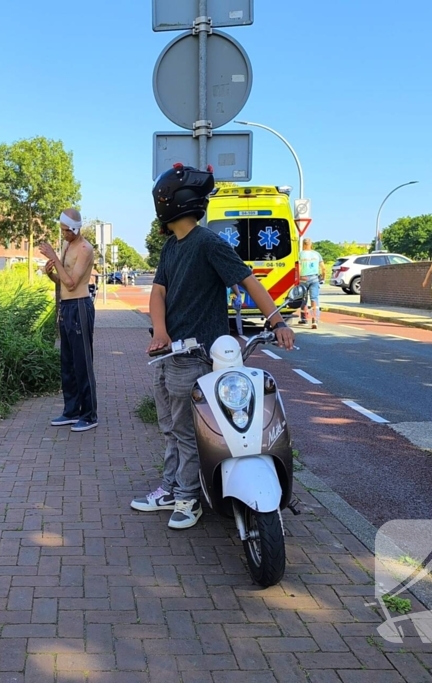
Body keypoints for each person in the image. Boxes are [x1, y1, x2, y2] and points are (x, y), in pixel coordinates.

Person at [131, 164, 295, 530]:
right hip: (169, 354)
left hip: (197, 356)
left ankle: (189, 497)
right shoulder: (171, 247)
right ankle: (173, 488)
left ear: (169, 204)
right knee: (173, 428)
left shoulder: (207, 243)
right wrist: (159, 332)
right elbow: (158, 292)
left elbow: (247, 279)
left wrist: (277, 320)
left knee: (190, 432)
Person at [39, 208, 98, 432]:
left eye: (65, 231)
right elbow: (62, 282)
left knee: (83, 362)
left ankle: (90, 414)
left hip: (80, 305)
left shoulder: (84, 249)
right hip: (66, 306)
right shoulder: (67, 245)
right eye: (61, 230)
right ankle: (72, 411)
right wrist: (50, 273)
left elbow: (73, 283)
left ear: (75, 229)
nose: (62, 234)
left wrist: (54, 256)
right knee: (68, 362)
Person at [297, 238, 325, 328]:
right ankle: (315, 320)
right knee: (314, 299)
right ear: (311, 244)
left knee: (303, 299)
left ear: (303, 244)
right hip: (314, 278)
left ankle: (304, 319)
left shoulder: (300, 255)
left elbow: (299, 268)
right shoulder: (317, 254)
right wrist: (323, 278)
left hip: (303, 279)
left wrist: (299, 277)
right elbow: (323, 268)